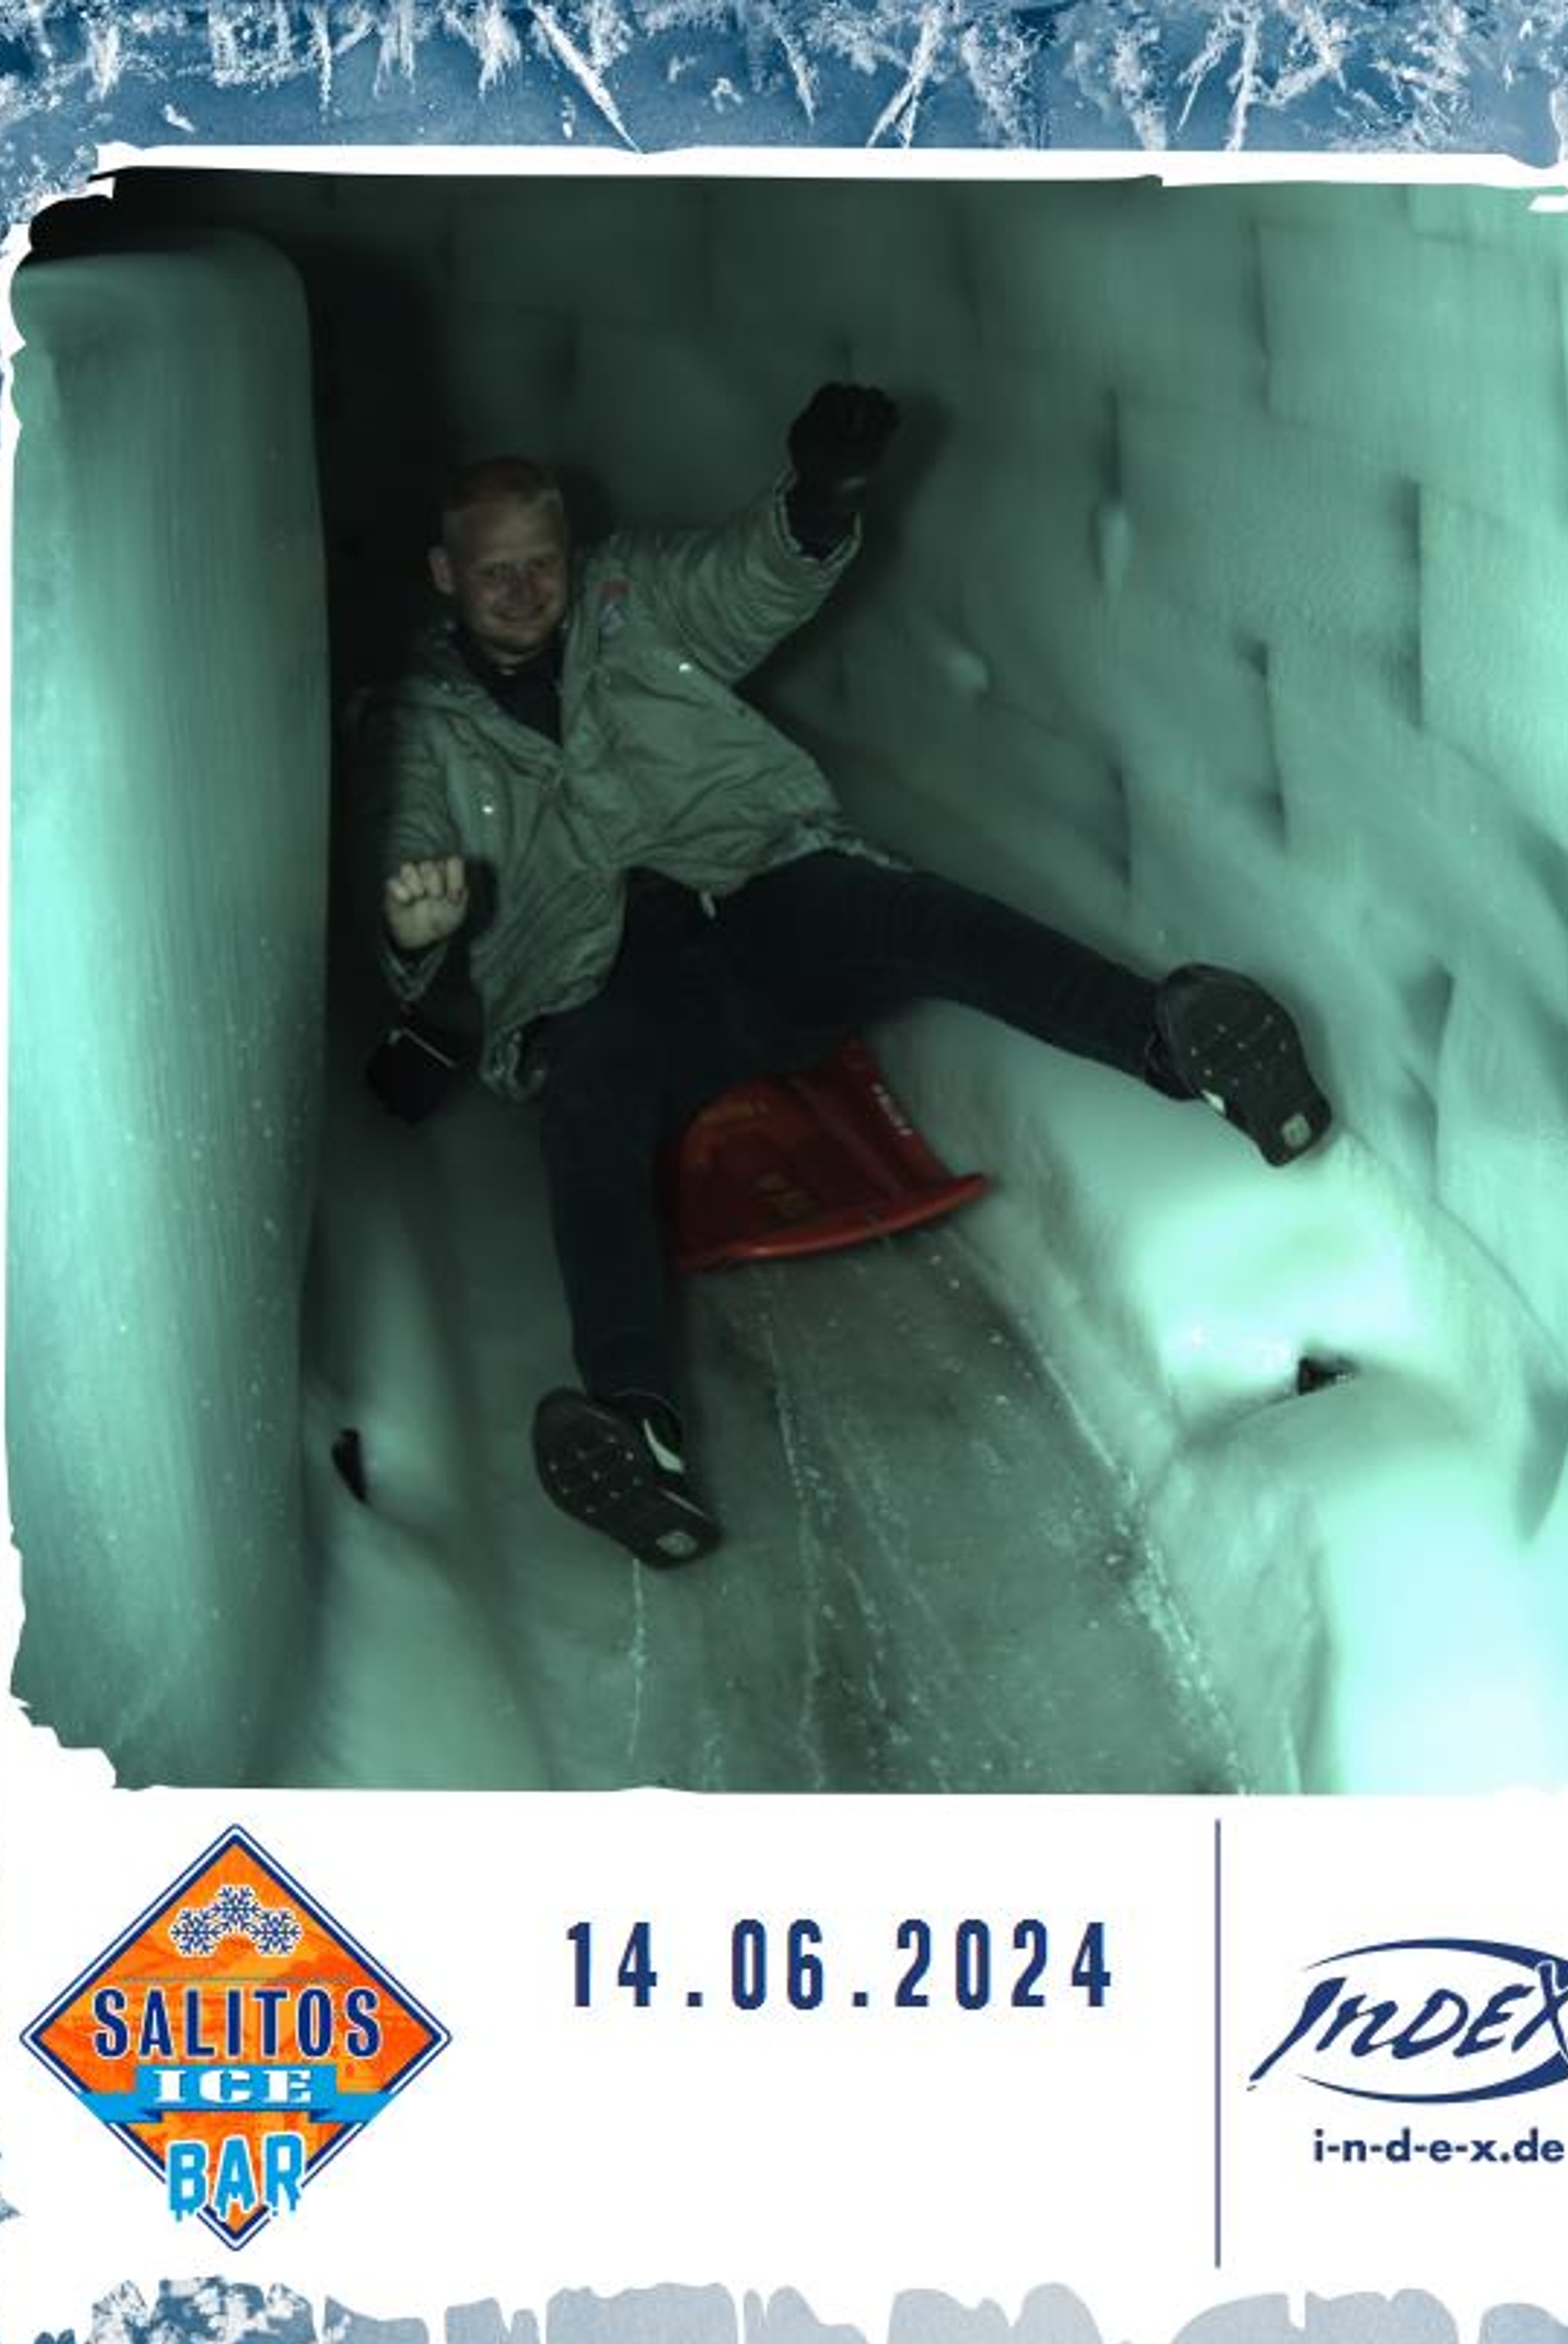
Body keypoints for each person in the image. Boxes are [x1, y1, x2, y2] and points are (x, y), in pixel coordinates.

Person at [368, 385, 1332, 1569]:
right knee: (586, 1109)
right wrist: (415, 925)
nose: (522, 589)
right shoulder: (423, 726)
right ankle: (637, 1427)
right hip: (600, 982)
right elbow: (401, 858)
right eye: (493, 571)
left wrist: (816, 500)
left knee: (907, 912)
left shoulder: (631, 601)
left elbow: (742, 581)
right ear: (444, 574)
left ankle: (1179, 1047)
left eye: (539, 561)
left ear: (570, 553)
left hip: (756, 896)